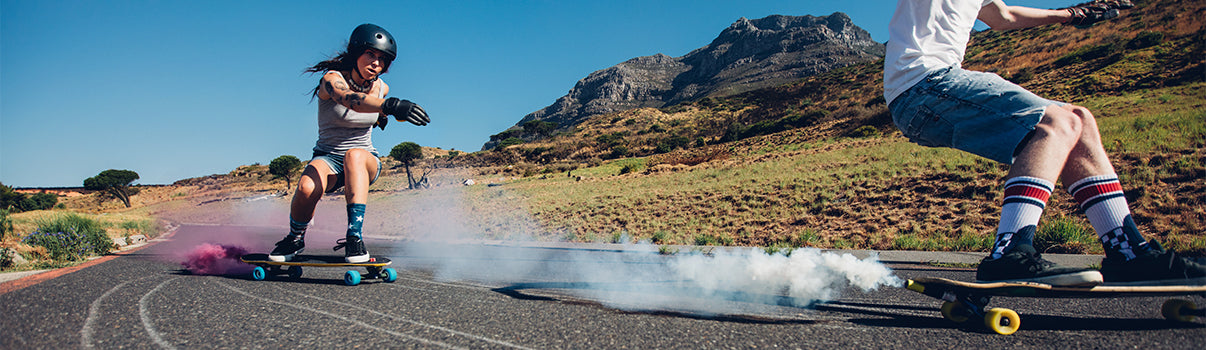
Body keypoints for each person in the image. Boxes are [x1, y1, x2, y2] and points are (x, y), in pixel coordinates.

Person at [883, 0, 1205, 286]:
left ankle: (1128, 252)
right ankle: (1009, 252)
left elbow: (1004, 16)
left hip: (929, 94)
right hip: (924, 85)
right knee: (1056, 123)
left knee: (1080, 121)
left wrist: (1071, 15)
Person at [269, 23, 430, 263]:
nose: (376, 63)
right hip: (327, 157)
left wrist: (388, 114)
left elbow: (374, 110)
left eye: (383, 59)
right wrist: (390, 106)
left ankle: (354, 238)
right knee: (305, 188)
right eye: (371, 55)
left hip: (365, 160)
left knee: (354, 154)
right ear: (356, 53)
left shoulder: (381, 88)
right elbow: (349, 100)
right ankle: (295, 238)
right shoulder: (332, 80)